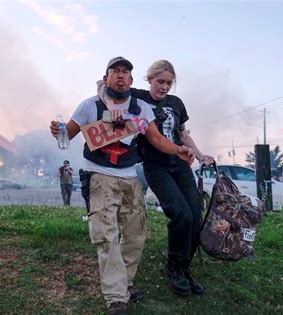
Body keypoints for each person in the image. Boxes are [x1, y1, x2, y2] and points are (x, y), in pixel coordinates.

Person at [50, 56, 194, 315]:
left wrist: (179, 150)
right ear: (106, 78)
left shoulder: (141, 108)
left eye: (126, 72)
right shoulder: (89, 105)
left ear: (130, 80)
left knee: (136, 234)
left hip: (129, 176)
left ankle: (124, 281)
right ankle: (116, 297)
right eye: (115, 71)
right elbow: (67, 133)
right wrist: (57, 129)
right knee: (107, 235)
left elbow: (157, 138)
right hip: (98, 175)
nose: (120, 75)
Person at [98, 60, 214, 297]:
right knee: (180, 214)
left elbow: (182, 134)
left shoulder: (176, 103)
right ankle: (172, 267)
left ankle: (184, 267)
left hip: (181, 164)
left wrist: (201, 155)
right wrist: (111, 104)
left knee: (194, 216)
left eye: (169, 83)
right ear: (149, 79)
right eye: (160, 81)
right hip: (156, 166)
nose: (164, 87)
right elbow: (101, 84)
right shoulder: (138, 96)